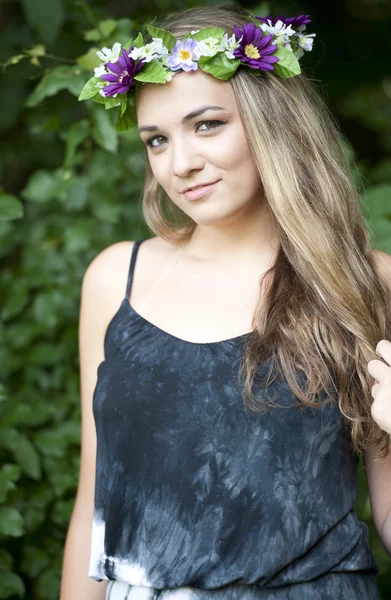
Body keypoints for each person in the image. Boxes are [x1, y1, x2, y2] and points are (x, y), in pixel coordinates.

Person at [60, 4, 391, 599]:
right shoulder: (117, 280)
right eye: (157, 140)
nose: (180, 163)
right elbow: (94, 509)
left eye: (207, 124)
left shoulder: (366, 284)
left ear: (271, 124)